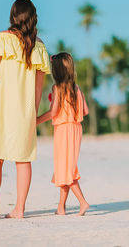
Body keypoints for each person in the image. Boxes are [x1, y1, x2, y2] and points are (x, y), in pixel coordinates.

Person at [0, 0, 50, 219]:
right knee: (23, 158)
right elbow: (39, 86)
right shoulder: (38, 46)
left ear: (13, 16)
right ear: (32, 17)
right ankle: (19, 209)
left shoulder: (2, 39)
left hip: (1, 108)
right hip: (24, 110)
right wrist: (33, 110)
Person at [37, 52, 90, 216]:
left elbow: (53, 112)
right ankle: (61, 207)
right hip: (76, 129)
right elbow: (85, 111)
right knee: (66, 167)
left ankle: (83, 202)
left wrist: (36, 120)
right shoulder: (76, 88)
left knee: (66, 169)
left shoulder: (57, 88)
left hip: (63, 130)